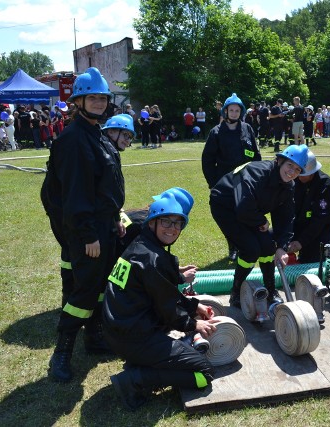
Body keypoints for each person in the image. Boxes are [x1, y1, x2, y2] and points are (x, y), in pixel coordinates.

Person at [40, 67, 125, 383]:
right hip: (87, 230)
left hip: (104, 225)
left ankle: (94, 338)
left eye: (103, 97)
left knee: (101, 284)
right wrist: (89, 235)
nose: (99, 102)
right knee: (84, 289)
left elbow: (106, 186)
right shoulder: (74, 140)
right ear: (78, 100)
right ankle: (61, 353)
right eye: (93, 97)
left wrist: (114, 220)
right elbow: (75, 195)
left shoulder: (97, 134)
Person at [103, 188, 217, 411]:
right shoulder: (152, 258)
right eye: (166, 221)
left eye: (178, 224)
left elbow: (164, 293)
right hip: (133, 336)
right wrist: (194, 324)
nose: (172, 228)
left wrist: (195, 306)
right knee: (204, 372)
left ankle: (140, 363)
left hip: (119, 330)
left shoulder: (142, 248)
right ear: (152, 222)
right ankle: (134, 379)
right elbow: (168, 308)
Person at [209, 145, 309, 308]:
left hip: (251, 212)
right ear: (279, 161)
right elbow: (243, 207)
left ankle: (270, 290)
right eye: (290, 165)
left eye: (297, 170)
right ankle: (236, 292)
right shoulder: (257, 173)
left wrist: (281, 246)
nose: (292, 172)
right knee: (250, 249)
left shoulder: (288, 186)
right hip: (225, 207)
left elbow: (286, 218)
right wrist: (261, 221)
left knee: (268, 247)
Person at [202, 93, 261, 260]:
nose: (234, 113)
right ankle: (233, 246)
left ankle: (246, 244)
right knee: (229, 217)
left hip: (246, 181)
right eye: (231, 110)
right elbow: (207, 160)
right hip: (225, 183)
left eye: (237, 110)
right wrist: (213, 183)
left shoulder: (247, 129)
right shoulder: (216, 132)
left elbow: (256, 155)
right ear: (225, 112)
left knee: (245, 213)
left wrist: (258, 176)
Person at [287, 150, 330, 263]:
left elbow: (320, 219)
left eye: (302, 174)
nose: (298, 176)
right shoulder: (294, 180)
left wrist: (301, 242)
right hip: (299, 223)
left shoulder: (325, 184)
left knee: (311, 261)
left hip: (320, 229)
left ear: (312, 172)